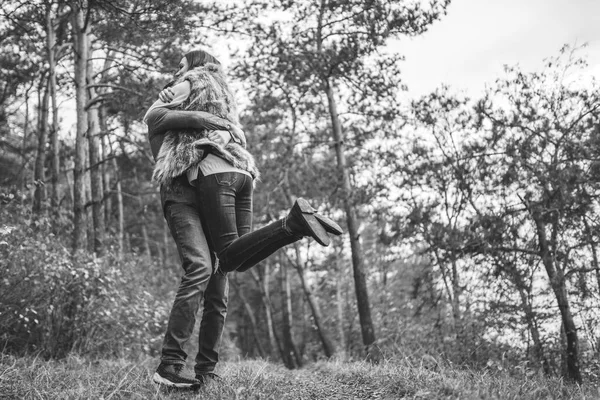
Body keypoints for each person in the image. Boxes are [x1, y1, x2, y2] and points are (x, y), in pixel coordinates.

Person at [145, 49, 343, 388]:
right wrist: (207, 121)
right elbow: (154, 118)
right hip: (180, 196)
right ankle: (170, 364)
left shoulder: (209, 99)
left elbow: (235, 131)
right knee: (201, 268)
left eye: (182, 67)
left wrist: (227, 131)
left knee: (225, 272)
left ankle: (206, 371)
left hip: (206, 187)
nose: (178, 74)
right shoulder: (176, 101)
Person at [150, 49, 343, 274]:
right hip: (243, 174)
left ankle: (293, 222)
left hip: (214, 173)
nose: (177, 71)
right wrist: (228, 132)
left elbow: (152, 117)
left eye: (181, 66)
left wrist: (166, 96)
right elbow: (240, 134)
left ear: (196, 65)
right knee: (242, 255)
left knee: (228, 258)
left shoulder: (189, 83)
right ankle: (297, 227)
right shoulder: (226, 94)